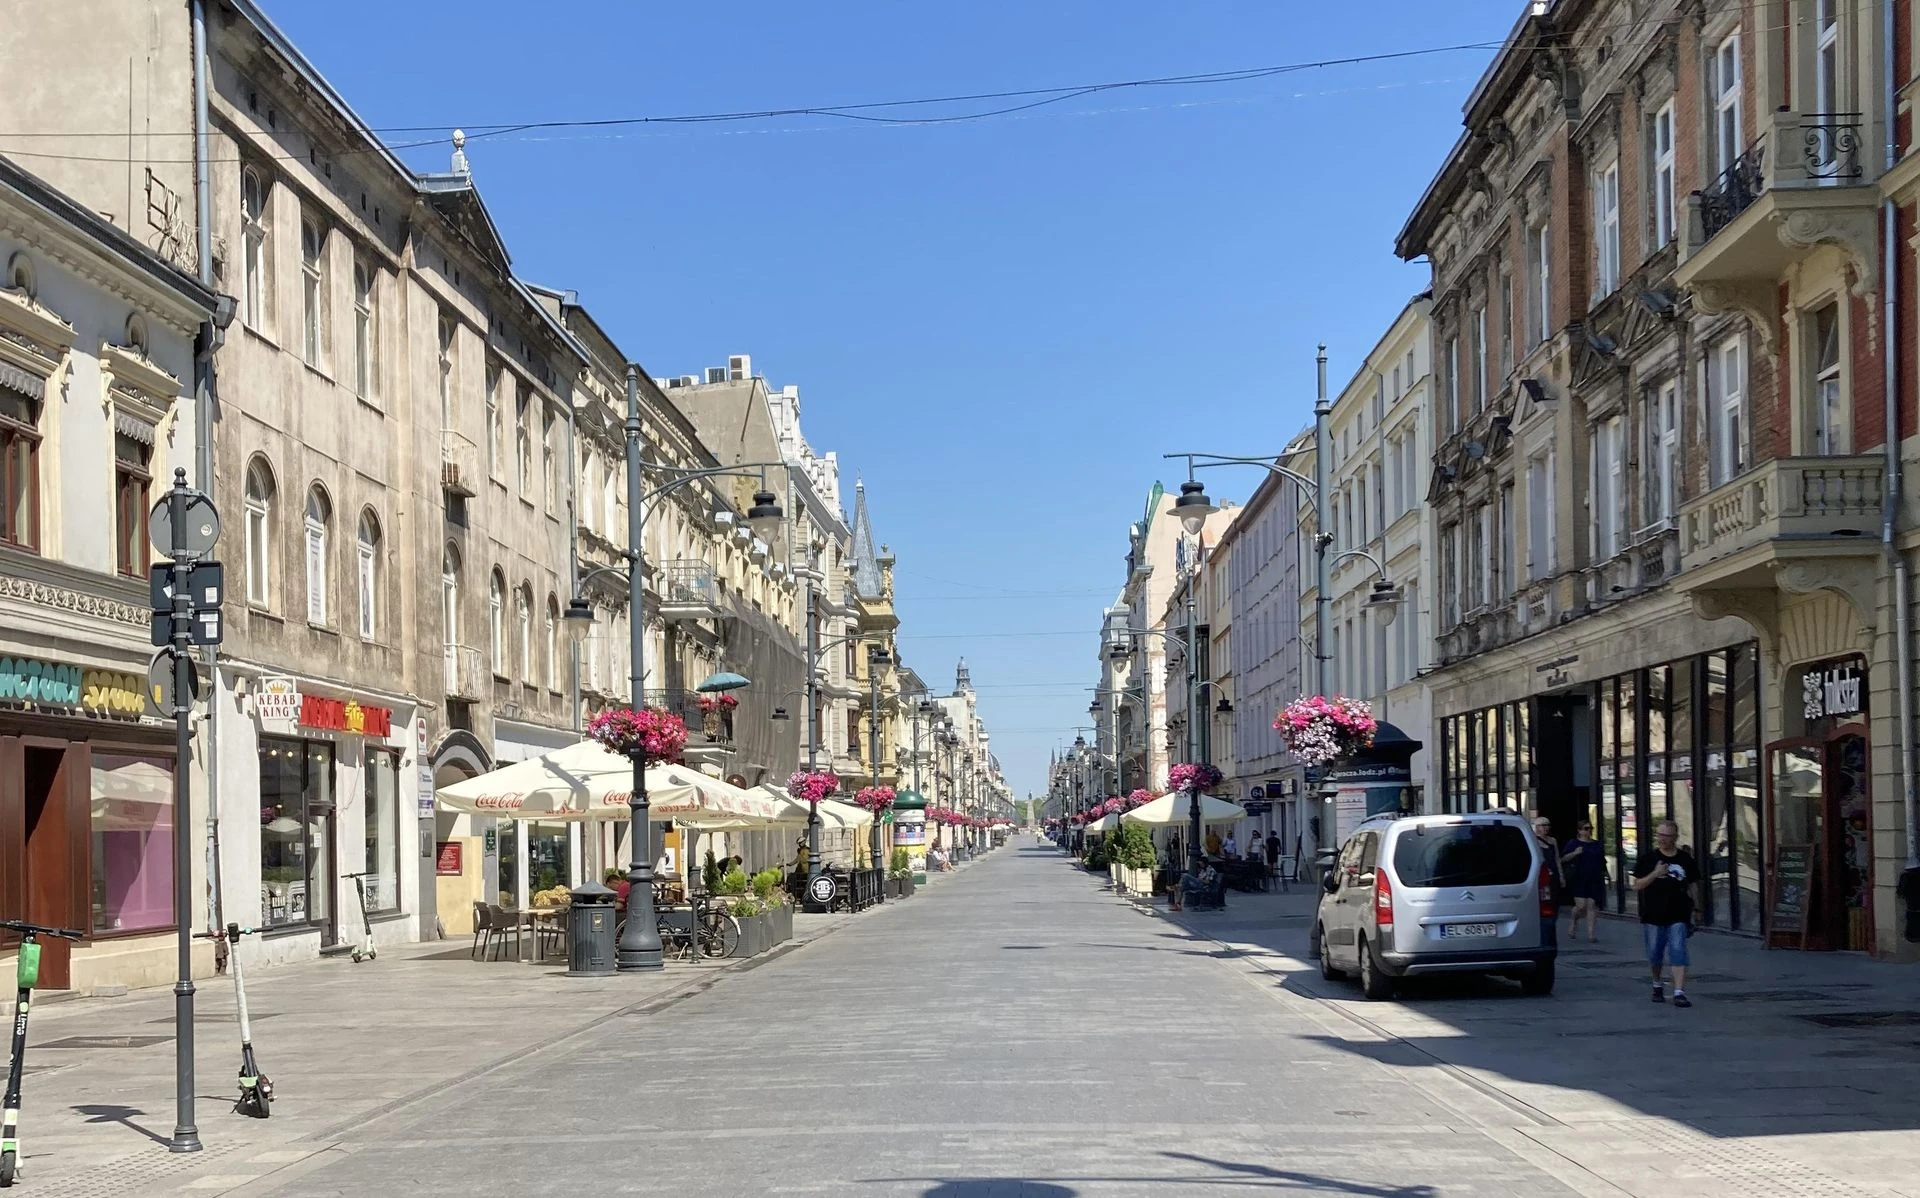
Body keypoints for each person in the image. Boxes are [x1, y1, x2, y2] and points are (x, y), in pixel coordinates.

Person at [1632, 820, 1699, 1007]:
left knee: (1678, 950)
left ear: (1675, 837)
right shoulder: (1648, 859)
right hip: (1653, 914)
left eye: (1666, 836)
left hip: (1679, 913)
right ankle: (1657, 983)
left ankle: (1679, 992)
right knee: (1655, 954)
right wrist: (1655, 873)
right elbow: (1636, 885)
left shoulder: (1685, 859)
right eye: (1659, 835)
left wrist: (1697, 908)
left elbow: (1693, 884)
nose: (1662, 839)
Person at [1561, 821, 1607, 942]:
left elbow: (1602, 860)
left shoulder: (1596, 844)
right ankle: (1573, 921)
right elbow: (1564, 858)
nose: (1588, 831)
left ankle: (1591, 934)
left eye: (1590, 828)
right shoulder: (1573, 843)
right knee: (1581, 906)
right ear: (1579, 830)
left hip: (1594, 878)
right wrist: (1575, 853)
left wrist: (1605, 872)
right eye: (1585, 829)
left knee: (1592, 905)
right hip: (1579, 878)